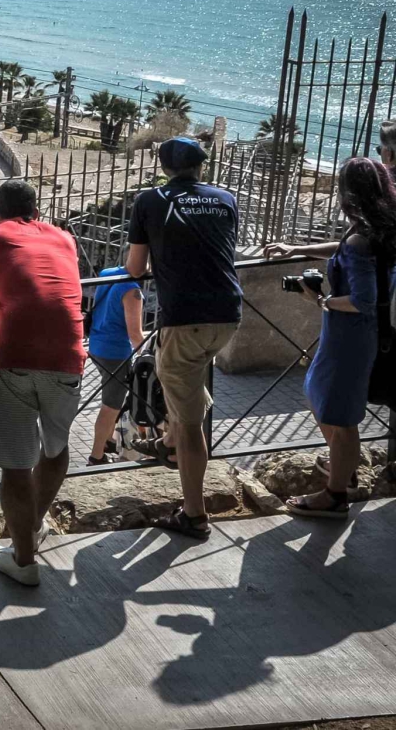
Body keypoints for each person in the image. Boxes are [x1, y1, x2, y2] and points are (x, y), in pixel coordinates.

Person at [0, 180, 85, 586]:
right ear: (36, 208)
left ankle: (24, 560)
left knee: (16, 461)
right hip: (69, 352)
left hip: (14, 355)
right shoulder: (63, 237)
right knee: (56, 445)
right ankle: (33, 524)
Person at [266, 157, 396, 518]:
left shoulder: (361, 240)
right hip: (356, 336)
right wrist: (296, 248)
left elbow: (362, 300)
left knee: (340, 416)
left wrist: (319, 299)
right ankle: (344, 470)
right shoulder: (377, 229)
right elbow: (343, 248)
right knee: (321, 396)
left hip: (350, 339)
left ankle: (337, 492)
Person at [125, 136, 241, 540]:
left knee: (191, 421)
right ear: (200, 168)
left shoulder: (150, 200)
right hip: (229, 314)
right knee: (181, 377)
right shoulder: (225, 198)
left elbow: (135, 268)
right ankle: (171, 439)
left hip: (186, 316)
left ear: (164, 167)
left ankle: (194, 514)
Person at [85, 261, 146, 465]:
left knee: (115, 398)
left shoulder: (107, 272)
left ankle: (109, 440)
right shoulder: (132, 291)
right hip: (115, 354)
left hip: (96, 345)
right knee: (111, 405)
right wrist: (150, 356)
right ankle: (97, 455)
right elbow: (135, 334)